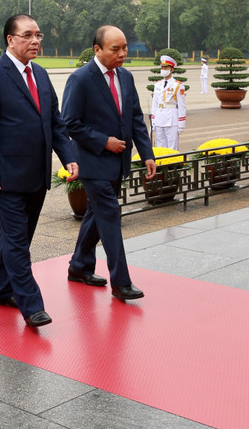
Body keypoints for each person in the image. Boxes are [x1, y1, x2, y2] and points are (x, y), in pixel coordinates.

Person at [0, 13, 78, 327]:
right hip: (5, 177)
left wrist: (68, 155)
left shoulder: (41, 75)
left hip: (36, 175)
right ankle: (31, 305)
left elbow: (54, 122)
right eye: (28, 35)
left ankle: (1, 289)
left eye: (39, 35)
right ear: (10, 39)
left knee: (19, 240)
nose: (35, 41)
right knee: (17, 241)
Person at [63, 26, 155, 301]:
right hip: (93, 163)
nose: (123, 53)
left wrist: (147, 153)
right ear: (97, 50)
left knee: (96, 215)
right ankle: (121, 282)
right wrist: (103, 141)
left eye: (124, 47)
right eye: (115, 49)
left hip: (119, 163)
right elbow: (69, 122)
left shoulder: (125, 77)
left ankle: (79, 267)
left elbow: (136, 118)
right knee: (110, 216)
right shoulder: (80, 79)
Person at [151, 55, 186, 150]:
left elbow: (182, 106)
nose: (163, 69)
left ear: (172, 69)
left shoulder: (178, 85)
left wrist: (181, 123)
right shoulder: (157, 84)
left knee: (172, 147)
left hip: (171, 119)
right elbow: (154, 103)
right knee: (160, 146)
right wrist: (153, 119)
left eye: (165, 67)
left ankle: (172, 164)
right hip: (159, 118)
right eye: (162, 67)